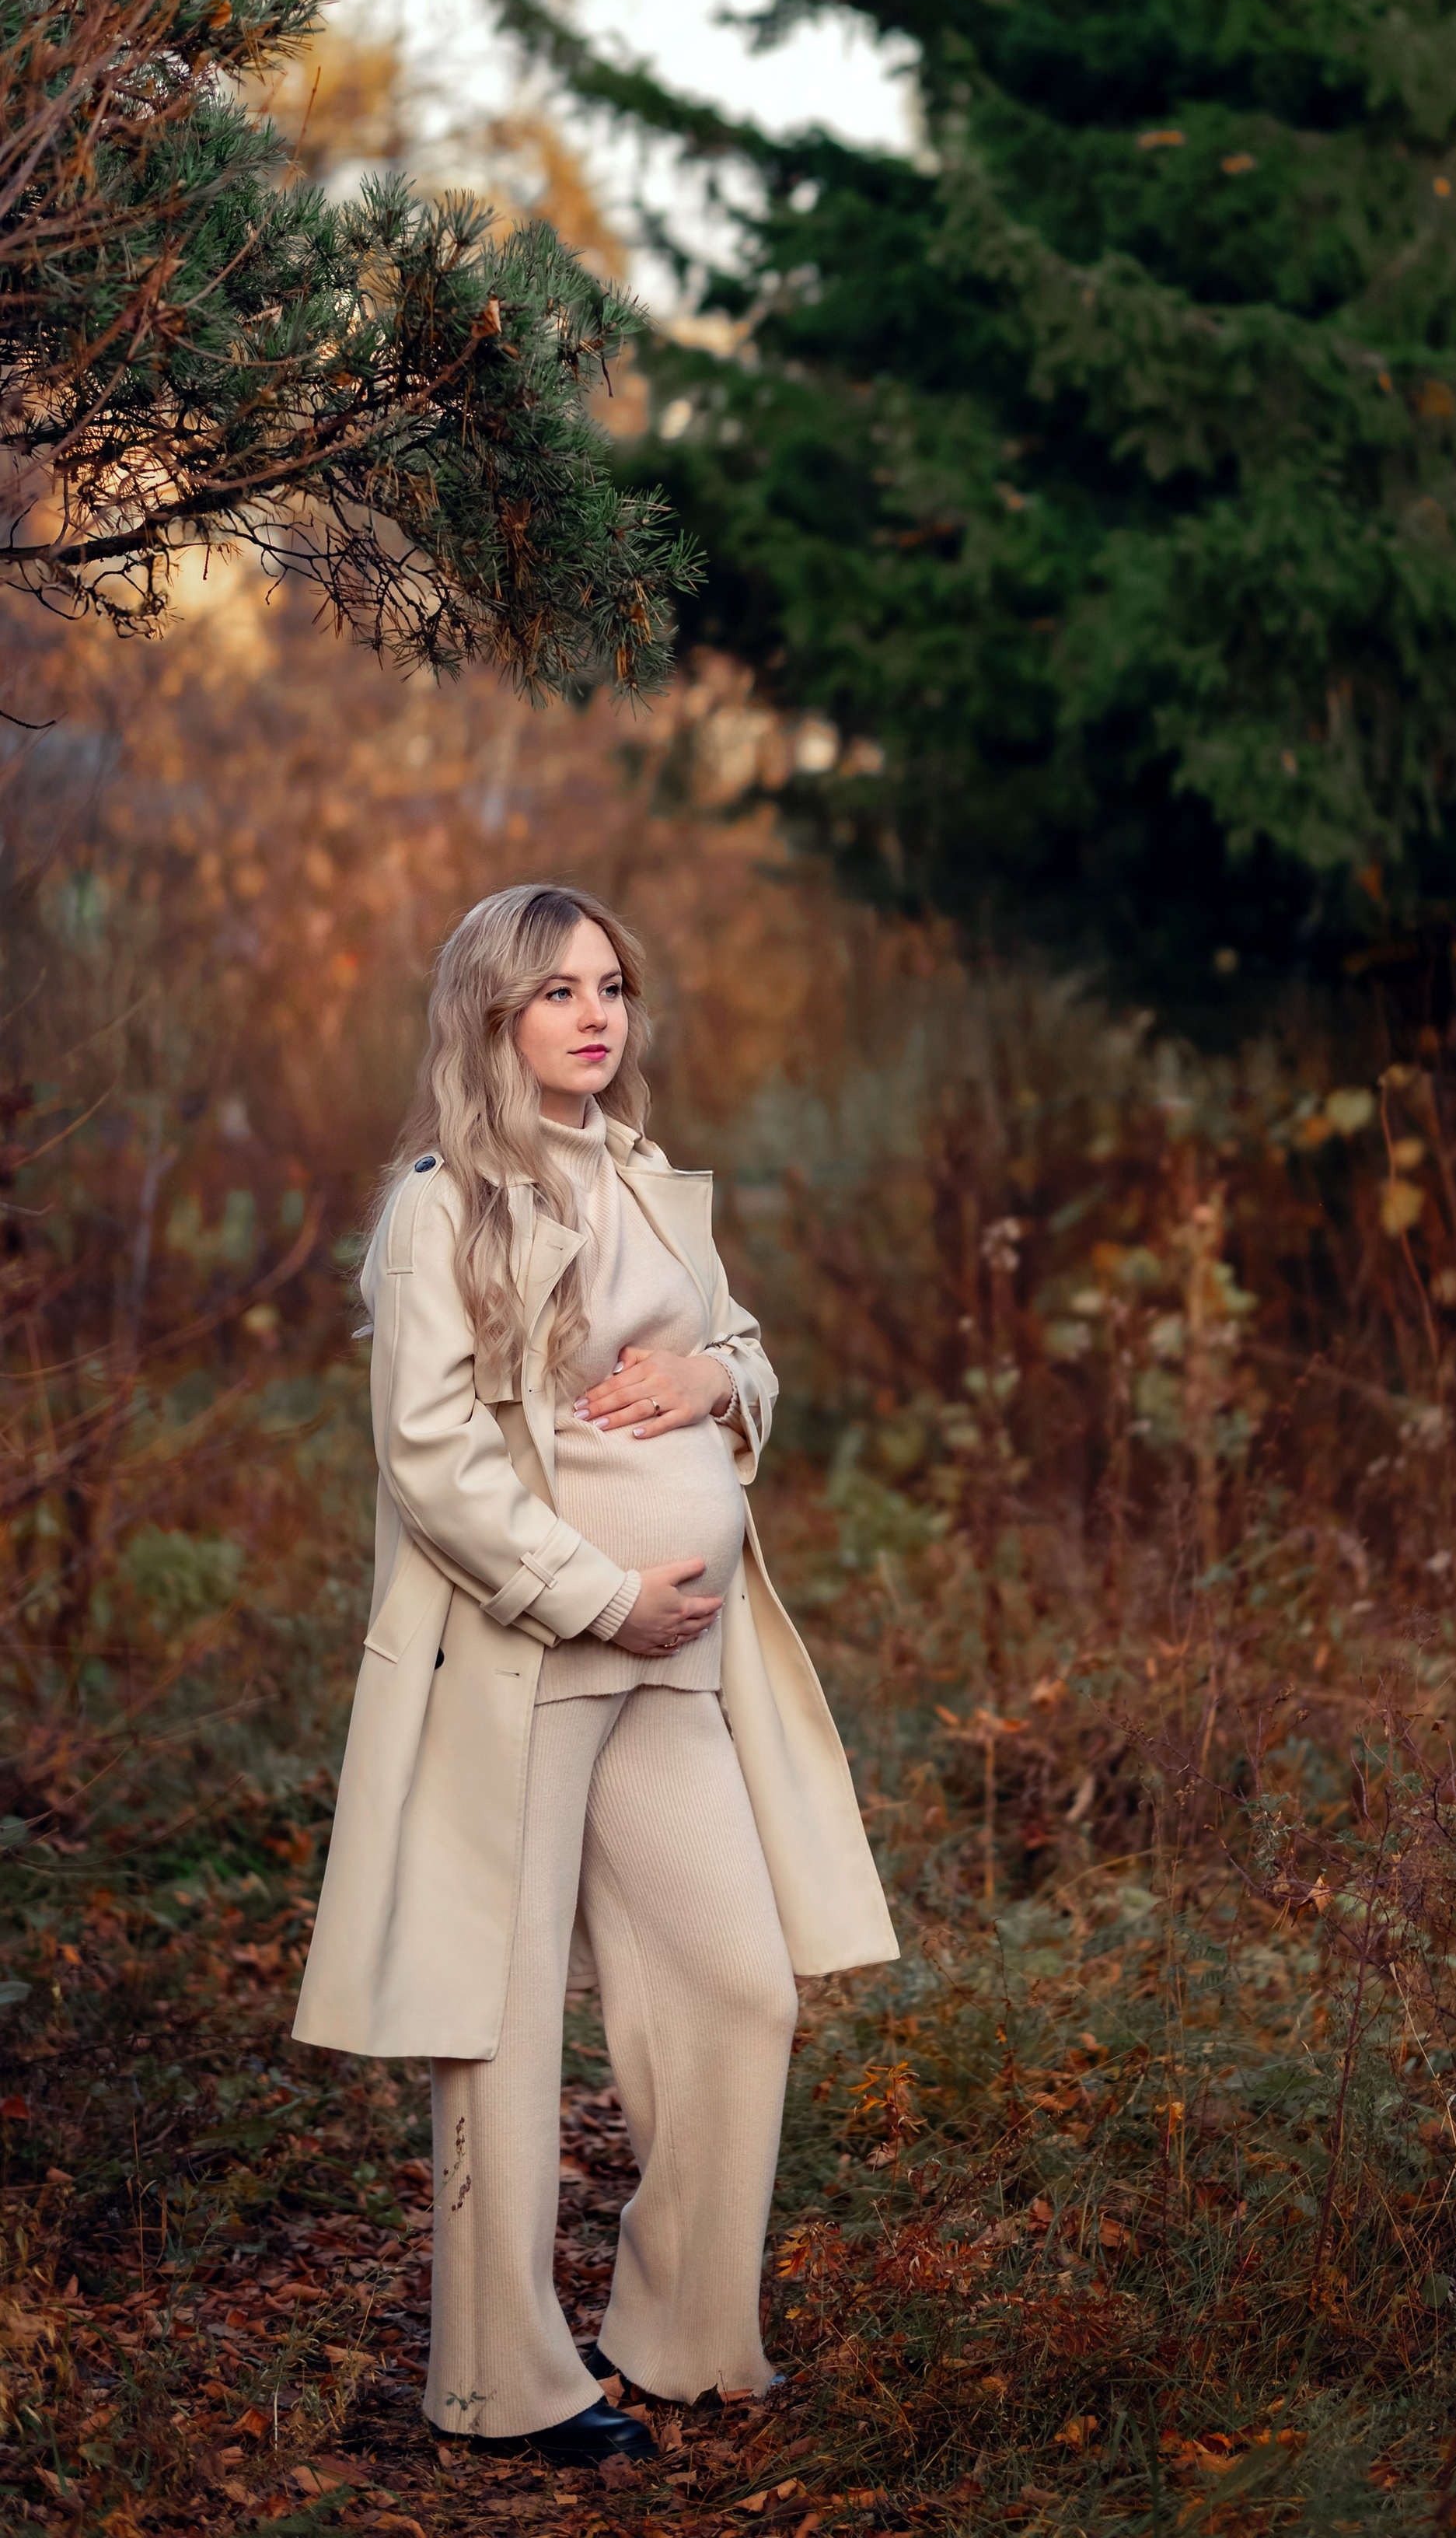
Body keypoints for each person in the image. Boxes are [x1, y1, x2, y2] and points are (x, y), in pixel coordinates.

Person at [293, 882, 897, 2465]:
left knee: (735, 1983)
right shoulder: (441, 1206)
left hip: (678, 1662)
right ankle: (502, 2387)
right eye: (555, 989)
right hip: (531, 1657)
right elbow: (430, 1458)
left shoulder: (635, 1174)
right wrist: (597, 1596)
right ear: (489, 1014)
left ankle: (687, 2337)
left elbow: (743, 1345)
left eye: (610, 985)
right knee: (494, 2021)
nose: (593, 1012)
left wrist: (716, 1370)